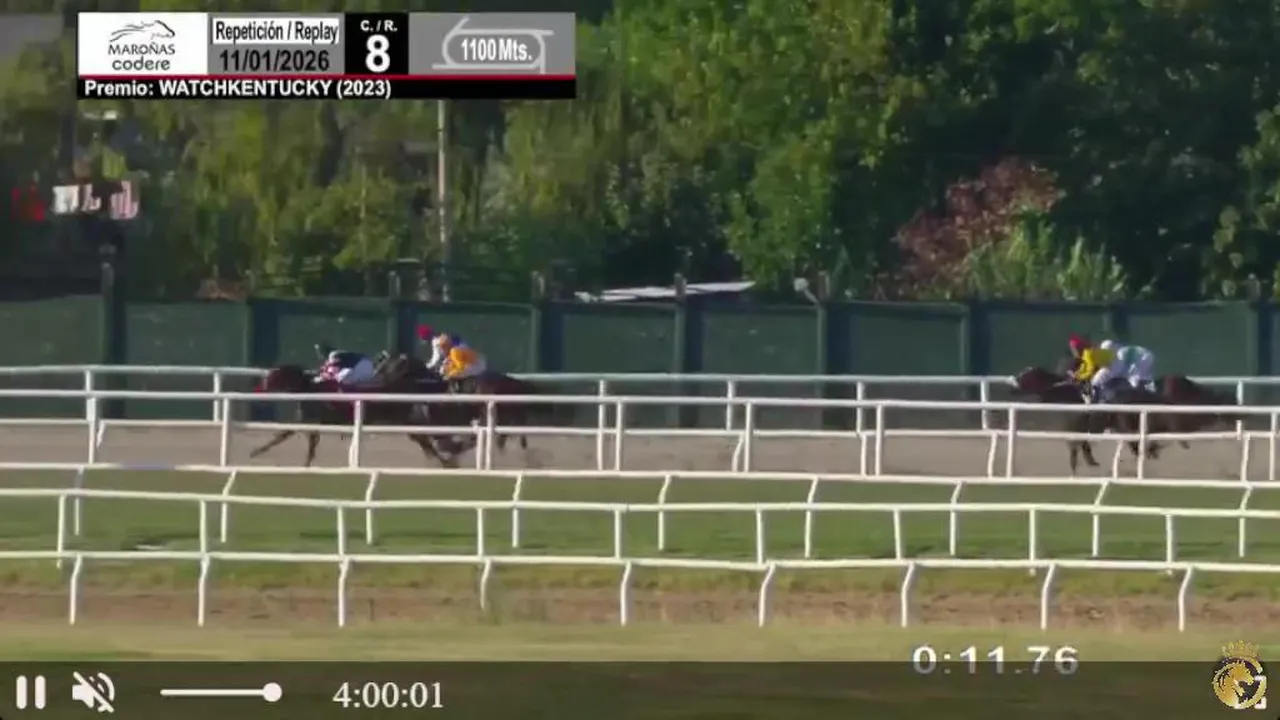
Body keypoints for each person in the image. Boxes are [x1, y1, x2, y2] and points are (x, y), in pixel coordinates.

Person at [1068, 333, 1120, 403]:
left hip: (1113, 364)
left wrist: (1079, 377)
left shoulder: (1088, 353)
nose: (1073, 351)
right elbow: (1085, 367)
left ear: (1079, 347)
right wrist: (1077, 374)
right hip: (1108, 364)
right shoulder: (1085, 354)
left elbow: (1091, 371)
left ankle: (1103, 400)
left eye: (1074, 348)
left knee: (1095, 381)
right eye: (1072, 349)